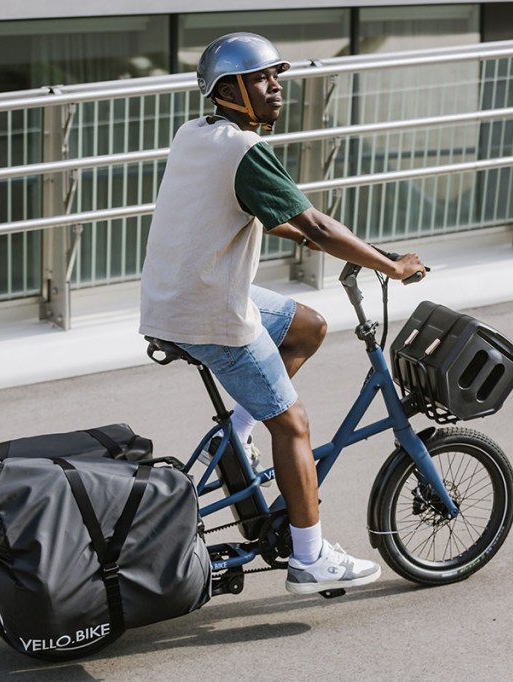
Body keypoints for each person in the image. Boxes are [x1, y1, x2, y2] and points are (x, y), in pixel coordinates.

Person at [139, 32, 427, 595]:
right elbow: (314, 223)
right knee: (293, 425)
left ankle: (241, 433)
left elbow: (280, 219)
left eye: (277, 77)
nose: (276, 88)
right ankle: (309, 558)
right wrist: (390, 268)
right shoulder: (241, 149)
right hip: (210, 312)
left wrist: (363, 252)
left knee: (307, 327)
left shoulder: (197, 134)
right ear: (229, 90)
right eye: (262, 79)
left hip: (180, 297)